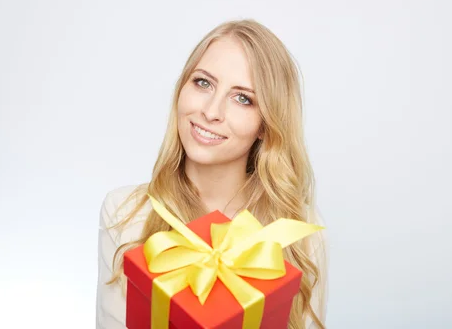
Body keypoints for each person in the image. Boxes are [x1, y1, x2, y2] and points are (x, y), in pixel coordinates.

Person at [96, 19, 328, 329]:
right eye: (203, 82)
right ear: (182, 88)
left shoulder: (298, 233)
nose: (211, 111)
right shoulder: (125, 212)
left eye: (242, 98)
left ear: (266, 125)